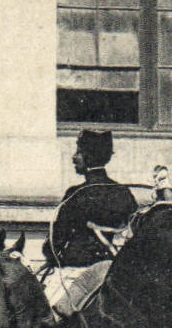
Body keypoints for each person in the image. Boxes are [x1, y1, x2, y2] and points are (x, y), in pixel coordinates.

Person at [43, 128, 138, 315]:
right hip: (113, 273)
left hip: (77, 273)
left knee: (41, 319)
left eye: (78, 152)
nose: (73, 158)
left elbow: (55, 243)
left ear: (88, 158)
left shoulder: (76, 194)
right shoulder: (124, 193)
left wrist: (51, 255)